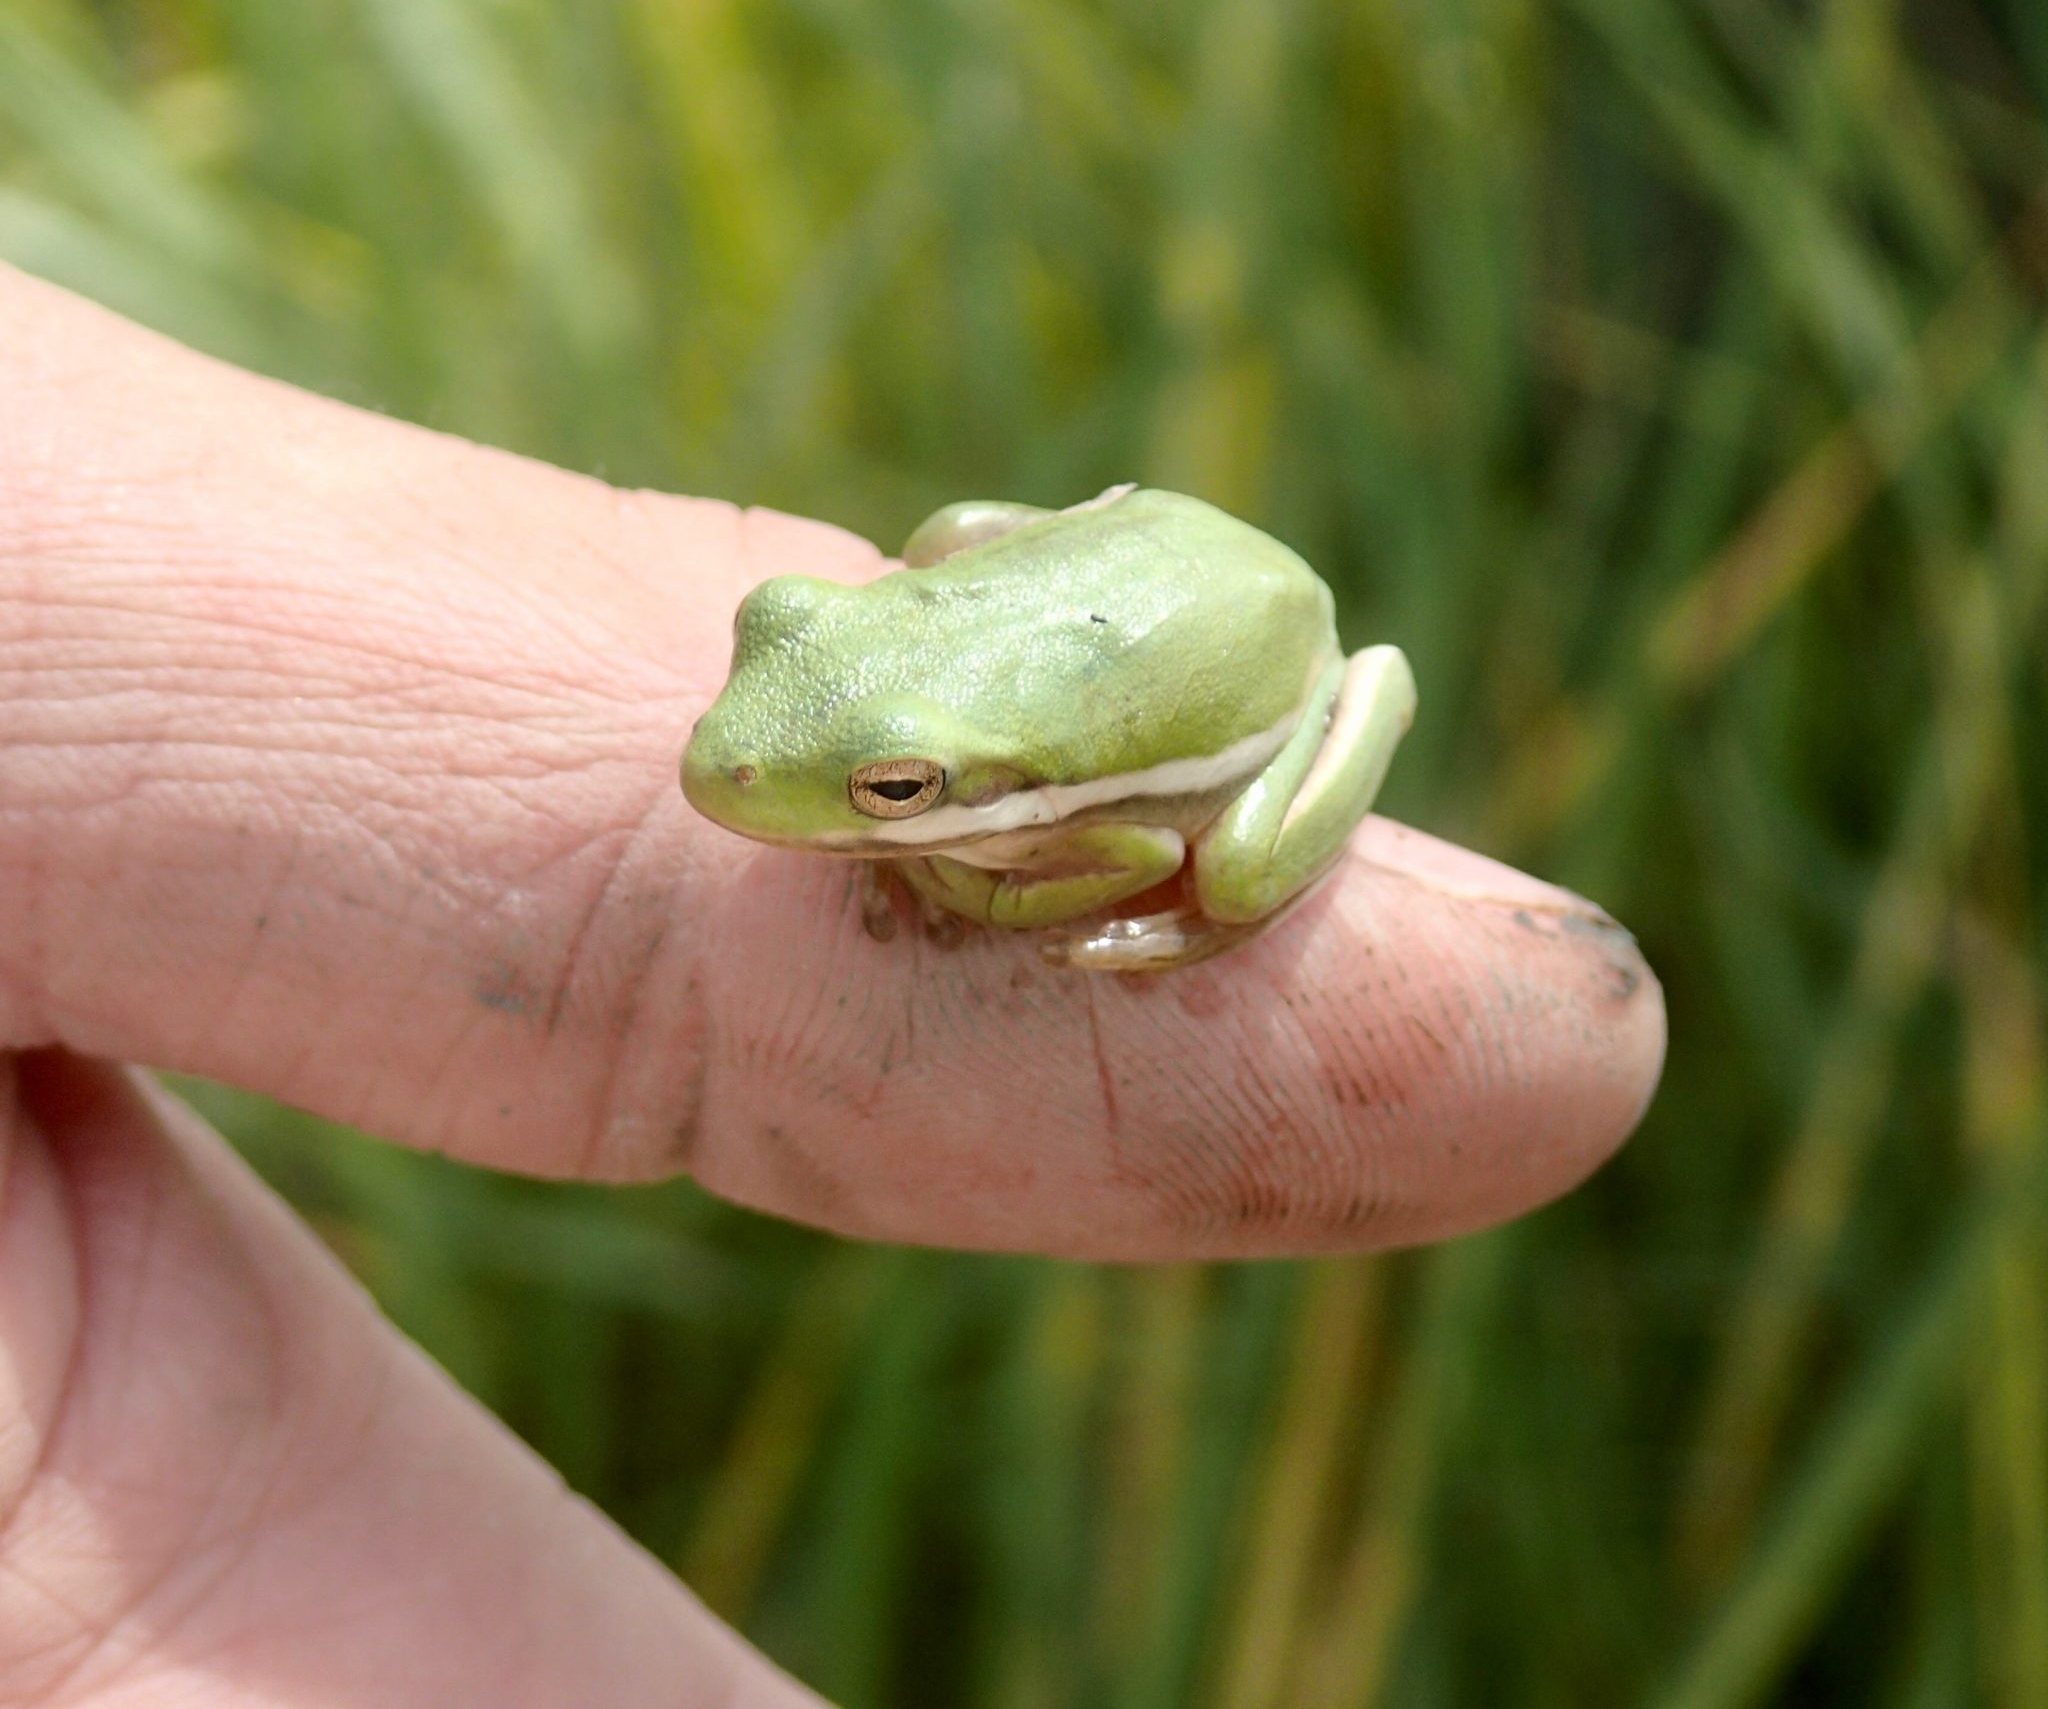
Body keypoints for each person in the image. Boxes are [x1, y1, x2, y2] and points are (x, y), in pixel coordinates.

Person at [0, 267, 1664, 1705]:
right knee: (939, 575)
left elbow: (1090, 852)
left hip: (1244, 658)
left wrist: (975, 858)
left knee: (1222, 871)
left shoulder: (1041, 797)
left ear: (964, 784)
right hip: (1126, 565)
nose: (724, 761)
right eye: (776, 634)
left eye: (888, 796)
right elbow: (900, 595)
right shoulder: (847, 692)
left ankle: (1044, 806)